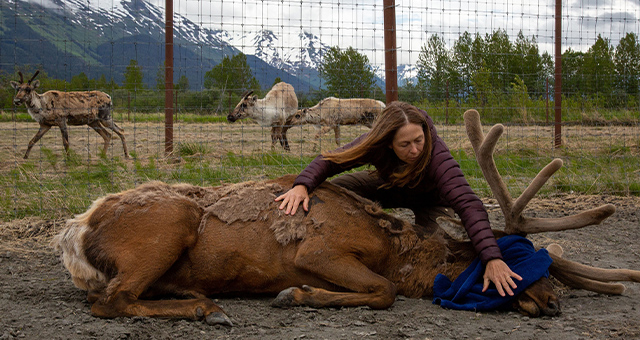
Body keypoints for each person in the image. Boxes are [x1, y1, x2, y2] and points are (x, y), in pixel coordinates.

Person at [275, 101, 522, 297]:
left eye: (419, 141)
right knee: (336, 191)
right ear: (389, 144)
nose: (415, 150)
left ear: (426, 134)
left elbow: (468, 203)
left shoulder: (437, 156)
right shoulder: (375, 143)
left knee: (438, 248)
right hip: (390, 185)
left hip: (430, 200)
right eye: (405, 144)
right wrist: (301, 185)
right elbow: (331, 160)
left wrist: (492, 257)